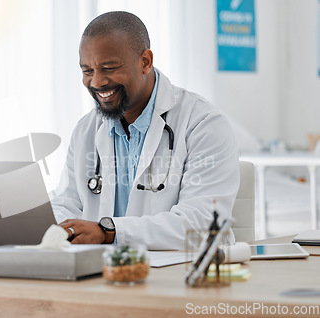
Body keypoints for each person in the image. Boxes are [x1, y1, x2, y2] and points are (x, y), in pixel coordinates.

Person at [51, 11, 239, 250]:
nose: (97, 82)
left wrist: (109, 232)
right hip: (102, 274)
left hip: (177, 275)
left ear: (145, 62)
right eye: (87, 71)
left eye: (109, 67)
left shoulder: (203, 124)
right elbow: (66, 202)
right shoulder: (87, 129)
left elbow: (202, 224)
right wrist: (54, 230)